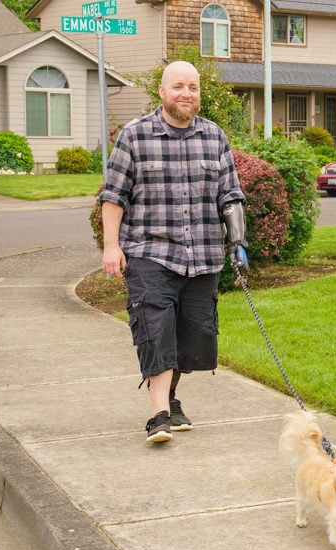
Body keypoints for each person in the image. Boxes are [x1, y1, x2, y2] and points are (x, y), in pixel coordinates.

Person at [99, 60, 249, 443]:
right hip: (150, 254)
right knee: (155, 331)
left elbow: (230, 196)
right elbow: (113, 196)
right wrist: (112, 246)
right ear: (162, 92)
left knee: (192, 339)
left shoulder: (214, 137)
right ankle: (159, 414)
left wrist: (238, 244)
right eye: (178, 86)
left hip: (202, 257)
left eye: (193, 87)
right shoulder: (135, 135)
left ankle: (171, 397)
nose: (187, 94)